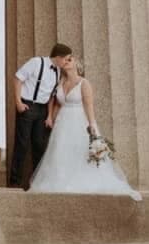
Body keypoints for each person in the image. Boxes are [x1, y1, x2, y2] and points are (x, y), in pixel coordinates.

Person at [29, 53, 141, 200]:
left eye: (70, 59)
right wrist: (51, 118)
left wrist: (92, 126)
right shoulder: (60, 83)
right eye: (65, 60)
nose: (66, 61)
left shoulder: (84, 83)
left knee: (79, 151)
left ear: (76, 64)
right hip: (62, 124)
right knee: (60, 150)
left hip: (78, 122)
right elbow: (57, 104)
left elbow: (89, 106)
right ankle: (61, 179)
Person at [9, 44, 73, 188]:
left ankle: (37, 184)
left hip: (42, 110)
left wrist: (49, 116)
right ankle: (14, 183)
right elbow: (17, 78)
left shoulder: (58, 71)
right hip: (27, 106)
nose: (67, 62)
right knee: (22, 144)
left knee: (39, 146)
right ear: (59, 57)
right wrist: (18, 102)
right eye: (66, 59)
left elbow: (51, 96)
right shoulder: (36, 62)